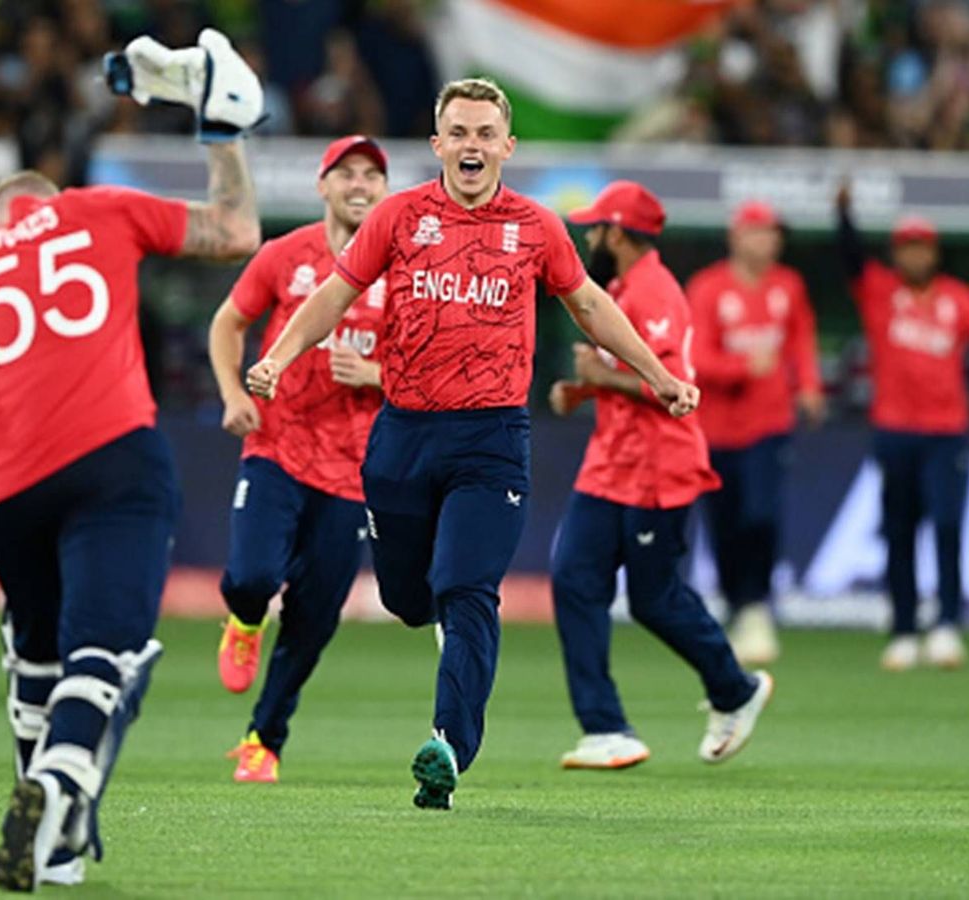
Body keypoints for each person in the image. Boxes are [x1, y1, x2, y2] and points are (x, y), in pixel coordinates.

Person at [0, 30, 263, 891]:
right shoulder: (96, 209)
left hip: (8, 491)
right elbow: (235, 230)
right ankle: (58, 783)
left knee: (36, 655)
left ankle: (59, 848)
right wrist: (223, 134)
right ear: (51, 201)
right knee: (103, 656)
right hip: (114, 458)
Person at [245, 78, 700, 811]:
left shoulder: (537, 227)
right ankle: (432, 623)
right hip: (403, 435)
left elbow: (589, 303)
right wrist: (277, 357)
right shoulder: (398, 216)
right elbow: (333, 295)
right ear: (437, 144)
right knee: (407, 599)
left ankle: (448, 749)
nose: (472, 145)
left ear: (507, 146)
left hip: (492, 440)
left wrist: (658, 376)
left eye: (486, 133)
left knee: (467, 588)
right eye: (459, 132)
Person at [547, 181, 773, 771]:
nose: (589, 239)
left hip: (656, 466)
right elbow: (629, 379)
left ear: (618, 234)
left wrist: (601, 376)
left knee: (654, 599)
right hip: (610, 462)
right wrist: (584, 390)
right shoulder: (620, 289)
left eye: (596, 229)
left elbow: (674, 388)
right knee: (573, 576)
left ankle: (736, 690)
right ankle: (604, 728)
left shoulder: (655, 292)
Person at [207, 135, 390, 784]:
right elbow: (227, 323)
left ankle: (263, 740)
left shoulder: (404, 272)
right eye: (347, 173)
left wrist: (375, 374)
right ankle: (244, 618)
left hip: (354, 473)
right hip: (277, 447)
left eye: (372, 174)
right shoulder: (285, 255)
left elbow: (432, 371)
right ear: (323, 186)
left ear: (385, 189)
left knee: (314, 620)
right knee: (251, 575)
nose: (360, 184)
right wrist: (233, 394)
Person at [834, 183, 969, 672]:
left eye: (922, 246)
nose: (915, 255)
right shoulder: (880, 291)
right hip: (894, 431)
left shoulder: (960, 299)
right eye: (907, 247)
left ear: (935, 252)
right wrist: (843, 213)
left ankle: (947, 624)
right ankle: (904, 629)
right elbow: (850, 257)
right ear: (896, 253)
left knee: (947, 525)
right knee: (899, 531)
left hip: (947, 433)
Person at [685, 200, 824, 666]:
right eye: (759, 232)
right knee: (724, 522)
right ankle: (736, 602)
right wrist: (742, 366)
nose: (768, 242)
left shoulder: (789, 285)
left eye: (773, 234)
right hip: (717, 428)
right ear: (736, 237)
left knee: (761, 514)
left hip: (770, 423)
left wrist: (809, 386)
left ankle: (757, 603)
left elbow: (801, 339)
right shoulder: (708, 288)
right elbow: (695, 357)